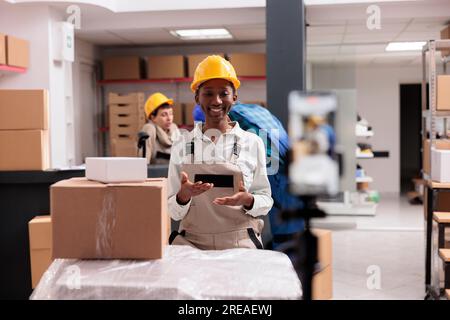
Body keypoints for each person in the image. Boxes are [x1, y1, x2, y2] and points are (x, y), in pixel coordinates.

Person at [167, 55, 273, 250]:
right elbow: (172, 212)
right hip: (192, 244)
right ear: (197, 97)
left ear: (234, 97)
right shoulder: (182, 145)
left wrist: (248, 200)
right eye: (208, 93)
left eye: (223, 93)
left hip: (240, 244)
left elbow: (266, 199)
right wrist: (183, 196)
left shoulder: (253, 143)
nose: (216, 100)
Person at [193, 102, 305, 250]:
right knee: (292, 220)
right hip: (291, 164)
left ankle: (287, 259)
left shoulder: (231, 118)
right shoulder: (254, 109)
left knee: (284, 228)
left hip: (274, 169)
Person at [141, 92, 180, 164]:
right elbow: (143, 164)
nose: (169, 118)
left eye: (171, 114)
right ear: (153, 118)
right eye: (164, 115)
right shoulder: (150, 130)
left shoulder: (174, 129)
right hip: (154, 174)